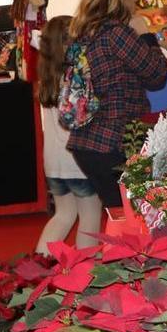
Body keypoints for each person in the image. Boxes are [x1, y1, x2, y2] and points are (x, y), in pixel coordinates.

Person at [66, 0, 167, 210]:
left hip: (87, 140)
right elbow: (156, 75)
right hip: (114, 140)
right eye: (134, 2)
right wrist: (145, 34)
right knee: (132, 216)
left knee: (117, 212)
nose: (135, 8)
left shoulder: (83, 29)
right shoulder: (117, 34)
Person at [34, 16, 103, 254]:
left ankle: (40, 265)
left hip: (53, 162)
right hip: (77, 161)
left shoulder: (46, 79)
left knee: (63, 215)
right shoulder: (76, 77)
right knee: (91, 218)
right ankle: (85, 274)